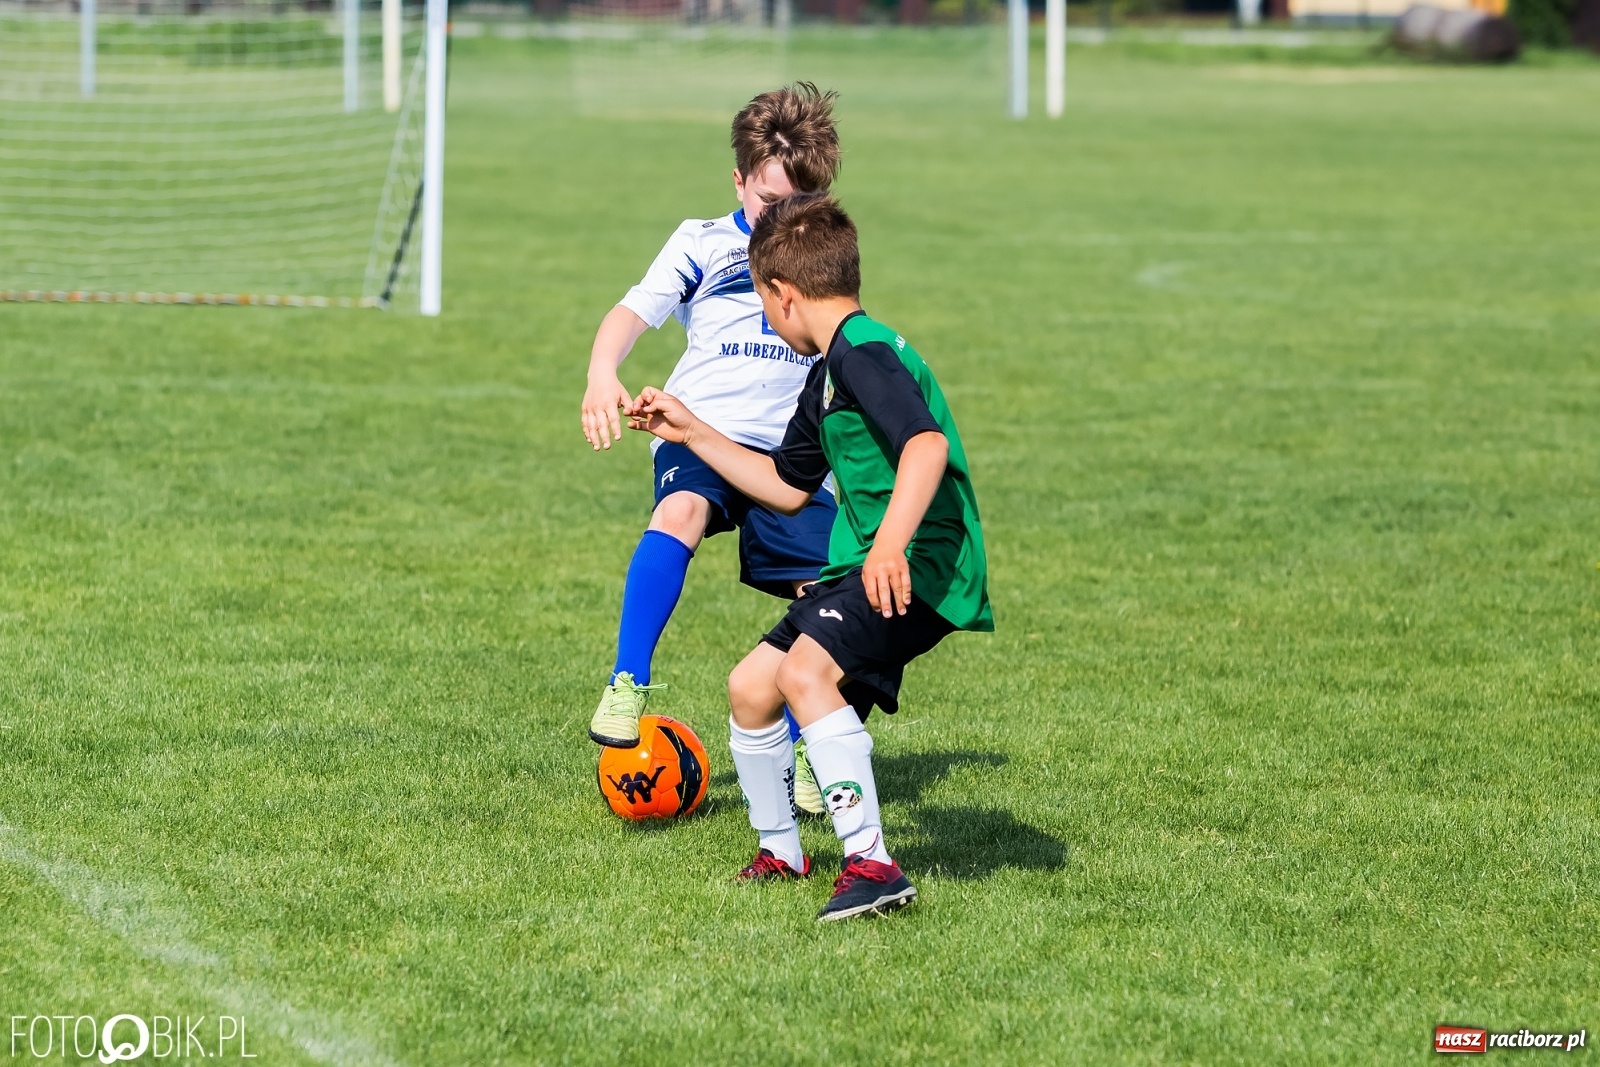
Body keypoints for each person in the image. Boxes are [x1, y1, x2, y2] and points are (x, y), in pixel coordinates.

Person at [625, 193, 993, 921]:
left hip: (922, 560)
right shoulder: (826, 372)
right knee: (751, 687)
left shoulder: (863, 353)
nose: (764, 316)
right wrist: (691, 428)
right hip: (872, 560)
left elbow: (926, 445)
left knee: (803, 672)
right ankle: (782, 852)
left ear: (784, 296)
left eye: (764, 302)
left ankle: (872, 863)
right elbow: (786, 488)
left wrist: (889, 543)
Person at [581, 84, 841, 817]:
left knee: (822, 594)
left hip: (786, 453)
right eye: (767, 201)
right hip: (696, 426)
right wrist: (604, 371)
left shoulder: (822, 258)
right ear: (738, 182)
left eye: (796, 203)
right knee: (682, 512)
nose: (779, 218)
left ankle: (809, 743)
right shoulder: (703, 240)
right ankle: (627, 683)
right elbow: (632, 312)